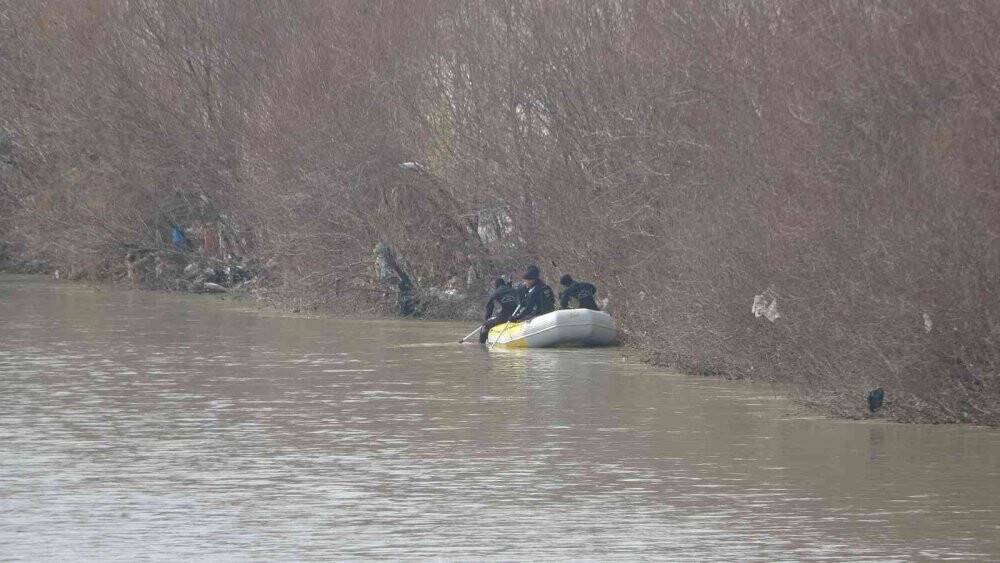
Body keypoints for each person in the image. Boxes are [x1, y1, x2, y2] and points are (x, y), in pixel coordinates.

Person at [479, 277, 520, 343]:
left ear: (496, 285)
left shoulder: (496, 293)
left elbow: (489, 307)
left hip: (504, 317)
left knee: (484, 326)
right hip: (516, 316)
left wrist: (487, 319)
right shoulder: (514, 290)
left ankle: (482, 344)